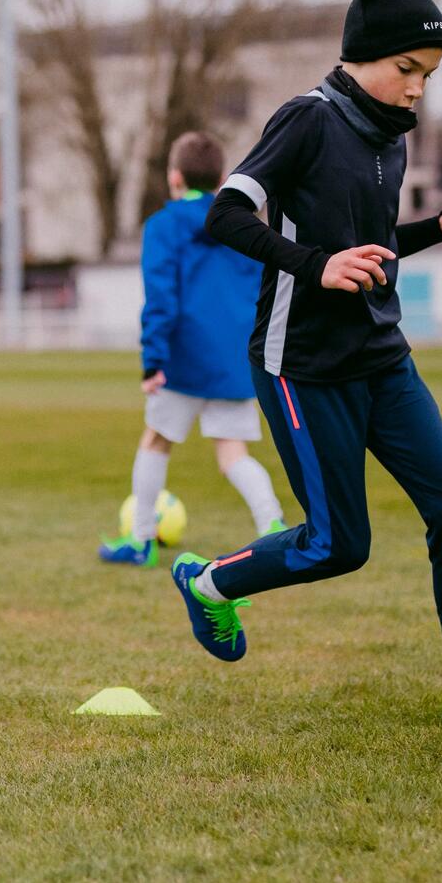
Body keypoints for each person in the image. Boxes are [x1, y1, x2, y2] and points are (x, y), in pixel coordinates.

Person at [170, 0, 442, 723]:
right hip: (302, 366)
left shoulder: (391, 139)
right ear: (362, 53)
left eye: (429, 76)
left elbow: (373, 247)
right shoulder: (306, 120)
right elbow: (228, 215)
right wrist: (315, 264)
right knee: (338, 545)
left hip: (382, 357)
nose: (416, 89)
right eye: (407, 69)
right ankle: (208, 582)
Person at [98, 132, 285, 567]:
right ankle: (273, 526)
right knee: (233, 454)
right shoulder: (243, 222)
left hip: (182, 361)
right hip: (235, 360)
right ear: (222, 179)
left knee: (156, 440)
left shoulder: (163, 225)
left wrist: (152, 361)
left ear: (175, 177)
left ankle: (141, 540)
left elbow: (161, 296)